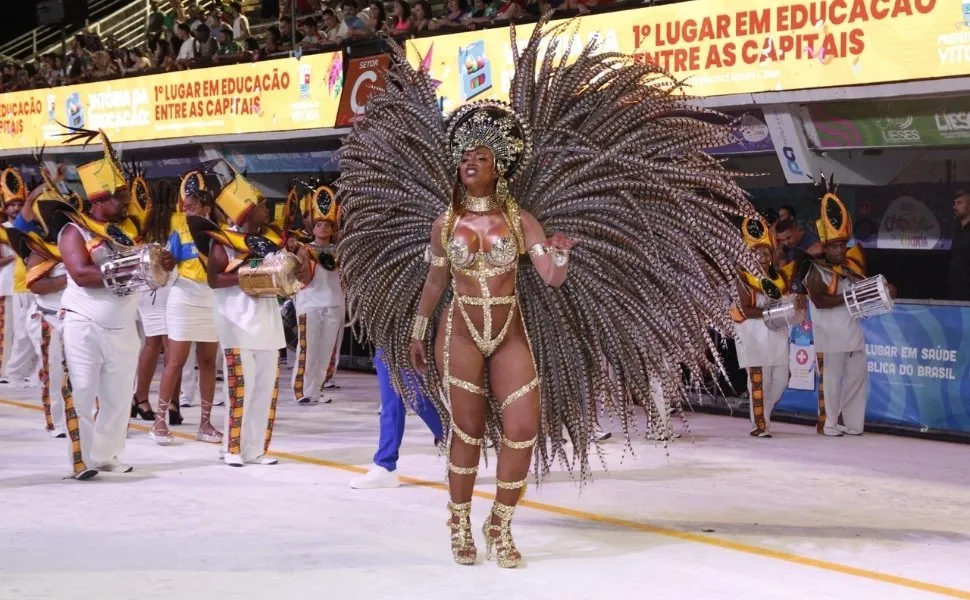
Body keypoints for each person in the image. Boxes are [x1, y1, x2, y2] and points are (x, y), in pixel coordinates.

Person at [337, 18, 755, 568]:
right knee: (464, 434)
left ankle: (500, 525)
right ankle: (459, 523)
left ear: (499, 167)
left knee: (522, 430)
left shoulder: (521, 220)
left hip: (509, 331)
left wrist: (560, 251)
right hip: (459, 331)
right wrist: (417, 331)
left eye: (481, 157)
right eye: (464, 157)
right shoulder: (444, 223)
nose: (470, 163)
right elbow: (436, 281)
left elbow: (551, 277)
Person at [35, 128, 174, 479]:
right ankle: (80, 460)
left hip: (123, 326)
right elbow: (80, 274)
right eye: (118, 197)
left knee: (117, 397)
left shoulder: (123, 232)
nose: (126, 202)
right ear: (98, 200)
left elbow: (142, 271)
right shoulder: (73, 230)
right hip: (84, 323)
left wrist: (158, 265)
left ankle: (108, 454)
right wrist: (133, 270)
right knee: (82, 390)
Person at [189, 165, 300, 467]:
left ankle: (256, 449)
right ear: (246, 212)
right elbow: (214, 280)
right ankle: (233, 448)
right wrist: (249, 275)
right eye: (262, 206)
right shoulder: (223, 243)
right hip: (236, 324)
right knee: (242, 387)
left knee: (265, 389)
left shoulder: (269, 240)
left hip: (267, 324)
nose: (267, 211)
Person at [803, 175, 895, 437]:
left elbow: (869, 288)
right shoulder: (814, 271)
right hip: (830, 337)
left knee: (857, 379)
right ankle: (830, 423)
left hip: (853, 334)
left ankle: (853, 423)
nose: (840, 250)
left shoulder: (849, 269)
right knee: (831, 381)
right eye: (835, 246)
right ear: (825, 247)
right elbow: (820, 301)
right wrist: (850, 298)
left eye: (843, 245)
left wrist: (886, 289)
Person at [151, 171, 224, 445]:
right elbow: (167, 267)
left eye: (193, 207)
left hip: (210, 298)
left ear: (206, 208)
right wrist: (166, 262)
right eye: (186, 206)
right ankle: (159, 421)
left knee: (207, 362)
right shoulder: (179, 230)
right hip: (183, 296)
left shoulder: (218, 231)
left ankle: (205, 424)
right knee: (175, 361)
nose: (188, 210)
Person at [731, 217, 801, 438]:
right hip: (754, 335)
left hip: (777, 334)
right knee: (760, 382)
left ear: (772, 255)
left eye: (765, 253)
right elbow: (745, 308)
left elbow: (785, 301)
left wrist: (794, 303)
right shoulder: (743, 278)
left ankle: (762, 415)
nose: (761, 258)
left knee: (781, 380)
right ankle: (759, 425)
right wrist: (771, 312)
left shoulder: (779, 278)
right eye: (756, 253)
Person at [349, 348, 443, 488]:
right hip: (386, 334)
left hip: (403, 333)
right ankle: (386, 465)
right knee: (391, 401)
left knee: (414, 395)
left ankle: (455, 440)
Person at [287, 183, 345, 405]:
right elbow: (296, 274)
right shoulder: (304, 249)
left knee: (326, 351)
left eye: (326, 225)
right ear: (312, 228)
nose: (322, 228)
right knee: (307, 349)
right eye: (319, 224)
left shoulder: (340, 250)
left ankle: (316, 390)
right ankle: (301, 391)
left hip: (334, 304)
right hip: (309, 304)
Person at [1, 166, 39, 386]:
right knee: (22, 333)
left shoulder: (33, 227)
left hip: (36, 284)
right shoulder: (7, 230)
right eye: (11, 205)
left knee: (35, 332)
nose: (16, 208)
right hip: (18, 286)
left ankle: (34, 373)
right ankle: (14, 373)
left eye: (19, 204)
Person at [947, 190, 970, 301]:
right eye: (954, 203)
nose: (955, 207)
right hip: (955, 293)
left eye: (959, 203)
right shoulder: (957, 230)